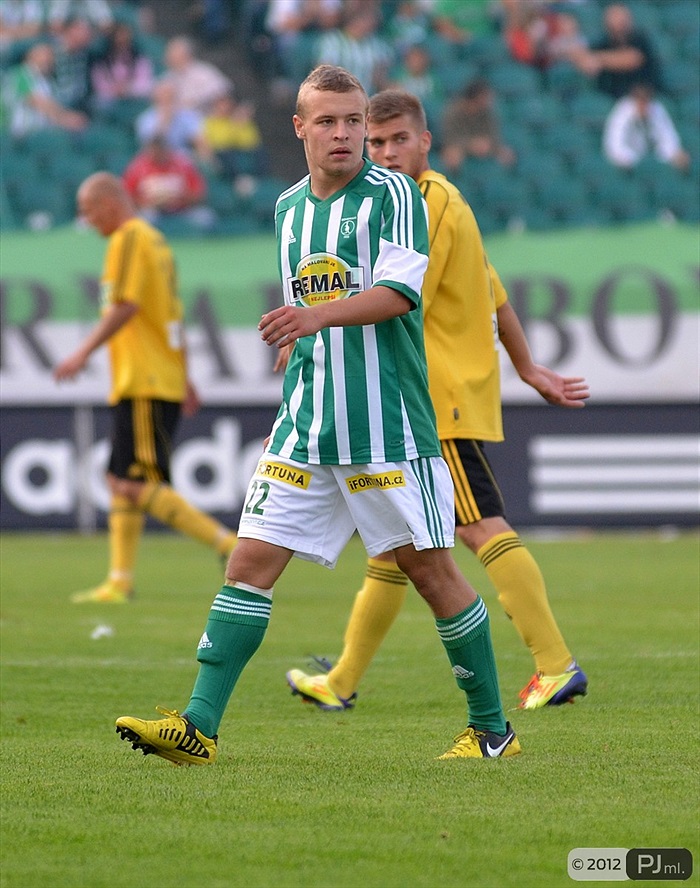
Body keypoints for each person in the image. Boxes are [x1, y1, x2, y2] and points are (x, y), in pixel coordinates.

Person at [114, 65, 521, 765]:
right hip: (308, 424)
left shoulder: (394, 194)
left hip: (387, 426)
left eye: (354, 121)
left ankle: (492, 732)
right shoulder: (288, 208)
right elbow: (307, 305)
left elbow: (397, 294)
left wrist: (311, 318)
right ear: (299, 127)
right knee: (247, 563)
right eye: (328, 121)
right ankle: (197, 728)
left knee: (431, 573)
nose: (345, 134)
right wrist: (296, 349)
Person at [285, 88, 589, 716]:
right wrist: (529, 367)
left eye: (400, 140)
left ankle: (556, 663)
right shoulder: (437, 201)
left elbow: (399, 295)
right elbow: (494, 289)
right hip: (418, 397)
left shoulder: (424, 203)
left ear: (427, 142)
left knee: (477, 525)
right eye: (377, 142)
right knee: (400, 546)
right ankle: (341, 679)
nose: (388, 153)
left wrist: (314, 328)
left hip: (429, 399)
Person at [52, 173, 236, 604]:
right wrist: (184, 373)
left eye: (88, 209)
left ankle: (228, 544)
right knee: (118, 479)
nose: (87, 219)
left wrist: (82, 352)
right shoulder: (156, 243)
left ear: (110, 203)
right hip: (156, 376)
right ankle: (120, 580)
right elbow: (169, 317)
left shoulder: (130, 238)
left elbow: (129, 305)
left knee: (135, 483)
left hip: (144, 380)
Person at [122, 135, 215, 232]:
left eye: (160, 150)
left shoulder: (182, 165)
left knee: (205, 218)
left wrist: (180, 199)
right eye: (154, 151)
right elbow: (127, 197)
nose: (157, 154)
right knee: (141, 221)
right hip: (152, 211)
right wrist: (149, 202)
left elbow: (199, 193)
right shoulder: (138, 167)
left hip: (182, 210)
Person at [574, 2, 663, 100]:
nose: (619, 21)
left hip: (646, 98)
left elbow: (632, 59)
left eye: (622, 16)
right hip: (615, 98)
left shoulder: (640, 39)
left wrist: (599, 58)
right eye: (614, 17)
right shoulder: (603, 43)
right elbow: (585, 60)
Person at [2, 41, 88, 138]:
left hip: (40, 134)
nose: (48, 58)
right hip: (16, 136)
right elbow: (35, 101)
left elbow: (50, 104)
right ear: (30, 55)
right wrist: (65, 117)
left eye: (50, 55)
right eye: (43, 54)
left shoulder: (45, 80)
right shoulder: (20, 74)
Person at [603, 83, 690, 172]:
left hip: (653, 161)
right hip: (630, 165)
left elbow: (668, 138)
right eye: (640, 101)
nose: (643, 106)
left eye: (646, 101)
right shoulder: (622, 112)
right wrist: (633, 161)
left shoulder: (657, 109)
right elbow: (614, 146)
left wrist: (673, 154)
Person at [440, 78, 516, 173]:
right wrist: (470, 145)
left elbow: (494, 135)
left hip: (483, 147)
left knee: (507, 155)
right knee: (452, 156)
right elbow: (449, 138)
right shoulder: (453, 112)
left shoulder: (487, 112)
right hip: (458, 146)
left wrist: (489, 144)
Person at [162, 35, 231, 115]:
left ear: (185, 54)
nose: (169, 56)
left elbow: (223, 90)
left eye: (173, 53)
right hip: (178, 121)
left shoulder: (203, 72)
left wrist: (195, 100)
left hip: (204, 118)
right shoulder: (168, 77)